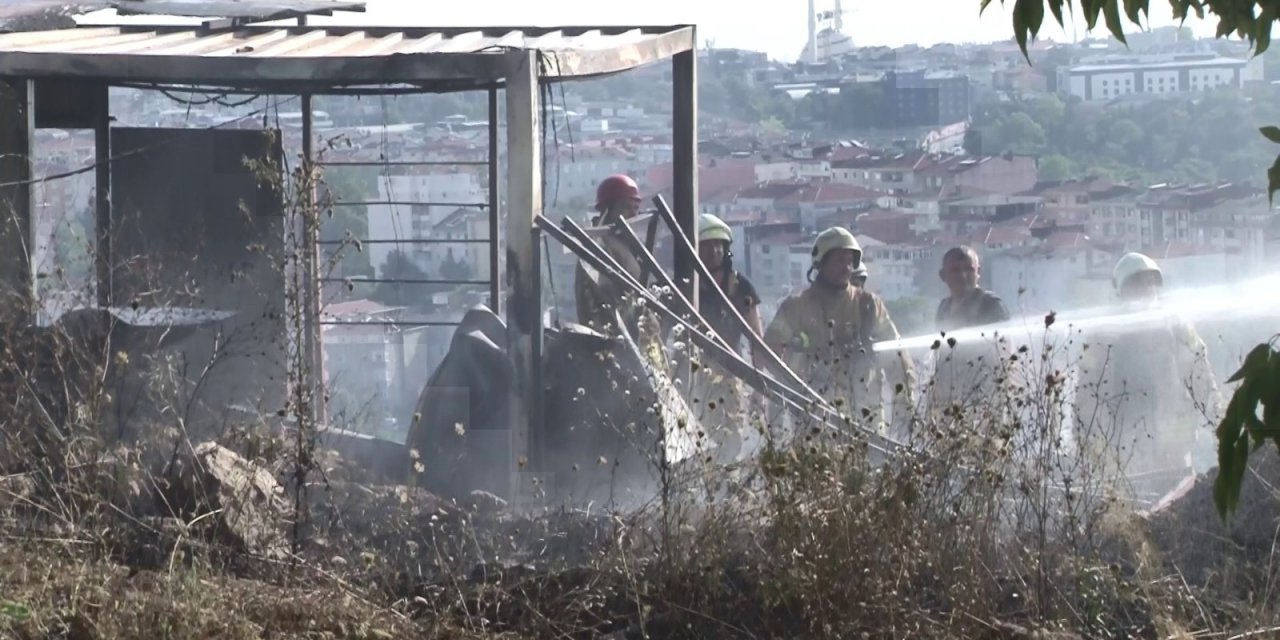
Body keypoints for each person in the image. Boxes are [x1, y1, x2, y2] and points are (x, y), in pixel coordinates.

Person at [1073, 252, 1224, 508]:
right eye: (1137, 283)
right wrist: (1087, 449)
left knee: (1178, 515)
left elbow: (1201, 377)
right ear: (1122, 290)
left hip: (1174, 451)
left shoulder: (1176, 325)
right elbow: (1085, 395)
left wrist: (1221, 424)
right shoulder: (1102, 334)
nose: (1145, 288)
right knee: (1135, 518)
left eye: (1148, 281)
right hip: (1125, 454)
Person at [763, 226, 916, 438]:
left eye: (849, 261)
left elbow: (898, 358)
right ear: (821, 263)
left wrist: (905, 412)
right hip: (813, 419)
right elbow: (770, 355)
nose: (845, 267)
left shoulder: (868, 305)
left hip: (866, 420)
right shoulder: (796, 307)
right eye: (838, 261)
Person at [691, 214, 765, 463]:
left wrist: (758, 385)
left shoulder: (740, 287)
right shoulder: (686, 285)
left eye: (719, 244)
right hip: (692, 373)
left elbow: (756, 339)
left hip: (730, 372)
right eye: (707, 244)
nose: (714, 250)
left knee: (731, 436)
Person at [573, 174, 649, 336]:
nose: (633, 214)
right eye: (626, 207)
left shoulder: (624, 244)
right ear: (608, 209)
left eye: (635, 208)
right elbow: (609, 301)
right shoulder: (599, 246)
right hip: (608, 338)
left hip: (628, 335)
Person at [935, 246, 1010, 332]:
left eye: (969, 269)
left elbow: (1005, 342)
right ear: (943, 275)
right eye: (955, 270)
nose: (963, 276)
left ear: (978, 272)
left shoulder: (991, 304)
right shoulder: (944, 307)